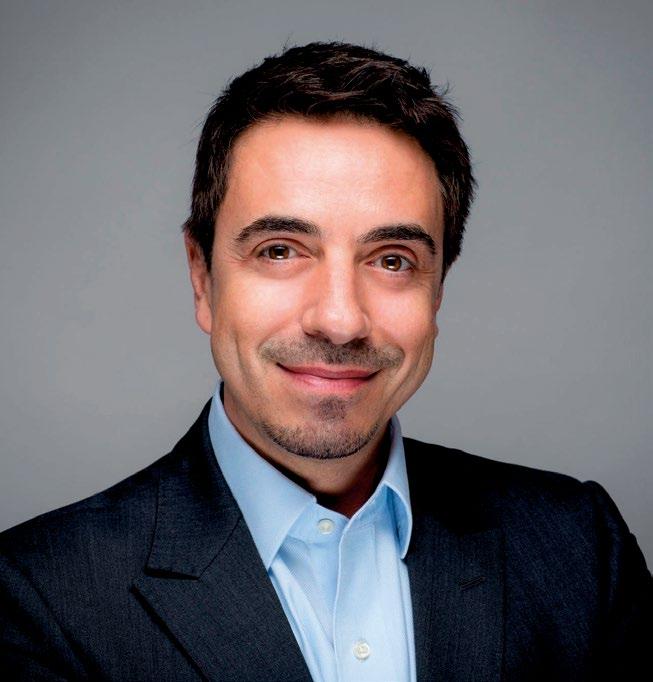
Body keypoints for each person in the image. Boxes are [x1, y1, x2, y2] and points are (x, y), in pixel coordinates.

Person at [0, 41, 650, 682]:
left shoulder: (579, 548)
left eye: (392, 260)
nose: (340, 320)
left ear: (437, 291)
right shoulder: (38, 599)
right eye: (280, 250)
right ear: (202, 279)